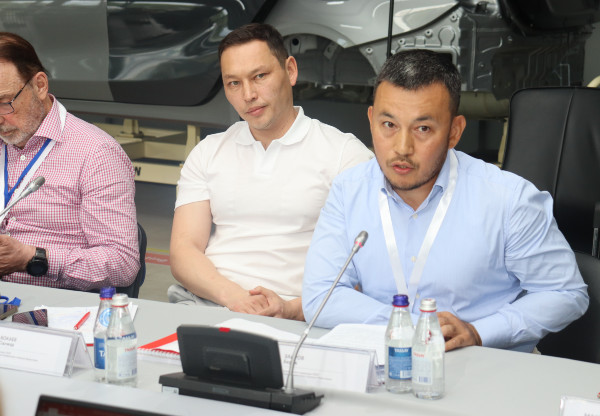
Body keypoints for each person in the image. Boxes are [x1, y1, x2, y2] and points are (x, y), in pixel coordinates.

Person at [302, 49, 589, 352]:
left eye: (423, 129)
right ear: (372, 120)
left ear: (454, 132)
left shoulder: (508, 200)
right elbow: (321, 296)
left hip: (483, 365)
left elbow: (566, 293)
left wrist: (479, 332)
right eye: (389, 125)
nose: (402, 147)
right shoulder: (349, 191)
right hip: (385, 364)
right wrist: (416, 328)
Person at [168, 23, 373, 320]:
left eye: (259, 76)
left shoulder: (345, 155)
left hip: (299, 315)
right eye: (233, 83)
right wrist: (236, 298)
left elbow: (366, 270)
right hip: (208, 303)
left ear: (290, 71)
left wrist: (292, 310)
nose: (248, 94)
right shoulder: (208, 151)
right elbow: (184, 250)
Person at [0, 32, 139, 290]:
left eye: (4, 103)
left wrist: (32, 258)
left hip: (51, 301)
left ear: (40, 86)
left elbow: (122, 264)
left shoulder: (96, 153)